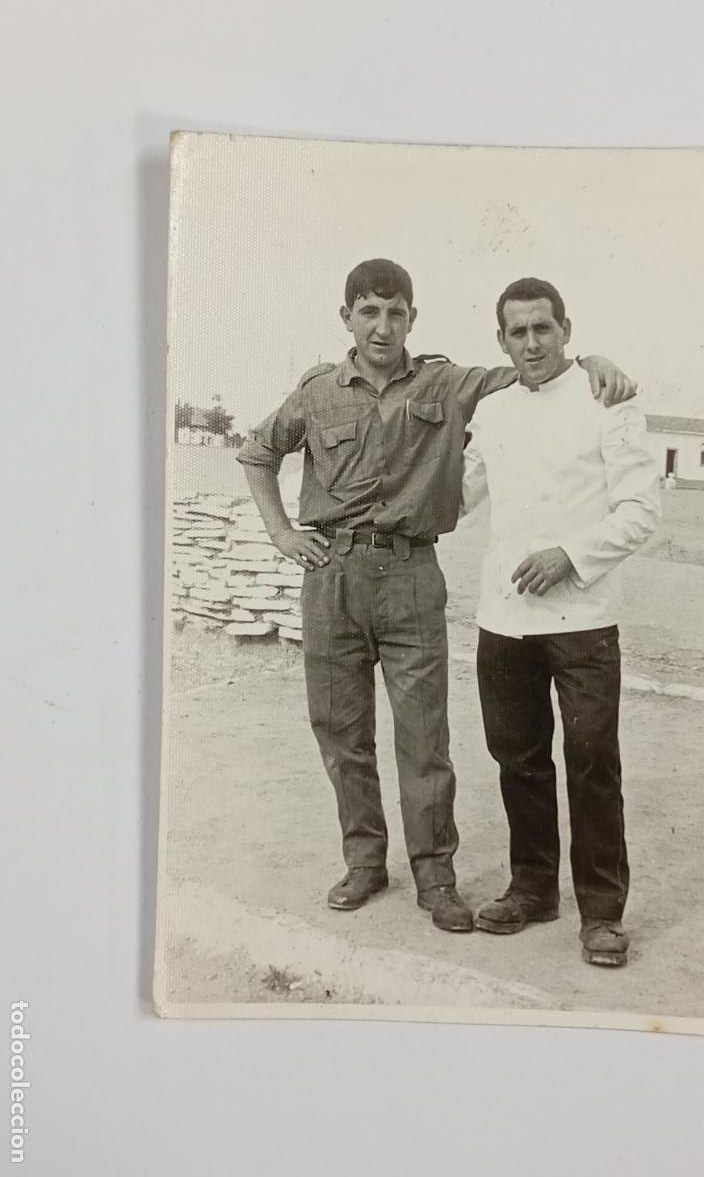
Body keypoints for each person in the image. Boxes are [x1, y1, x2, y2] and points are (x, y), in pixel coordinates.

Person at [237, 259, 637, 933]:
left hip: (411, 576)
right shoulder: (316, 392)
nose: (383, 326)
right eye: (369, 312)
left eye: (396, 313)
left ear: (413, 319)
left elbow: (536, 366)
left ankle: (436, 877)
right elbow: (256, 452)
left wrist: (593, 357)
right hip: (331, 575)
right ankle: (365, 862)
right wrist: (281, 530)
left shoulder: (446, 383)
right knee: (341, 731)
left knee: (425, 737)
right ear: (347, 319)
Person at [462, 276, 661, 966]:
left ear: (566, 330)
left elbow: (640, 510)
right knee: (517, 760)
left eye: (542, 328)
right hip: (504, 618)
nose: (531, 342)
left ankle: (602, 914)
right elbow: (458, 498)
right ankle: (532, 889)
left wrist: (570, 556)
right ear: (501, 341)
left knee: (591, 763)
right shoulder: (491, 410)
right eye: (517, 332)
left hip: (582, 618)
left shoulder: (609, 400)